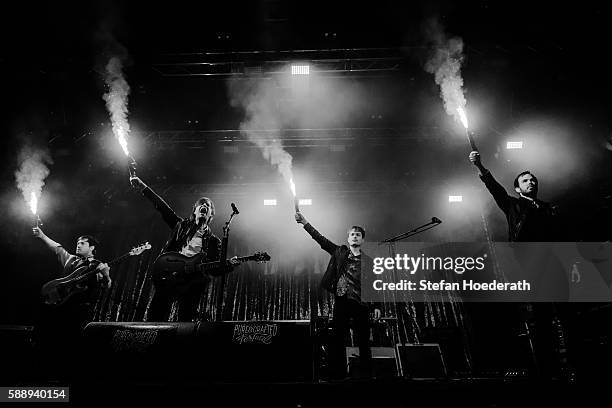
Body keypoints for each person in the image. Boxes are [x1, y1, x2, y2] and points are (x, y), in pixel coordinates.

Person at [469, 150, 568, 378]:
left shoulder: (549, 208)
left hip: (556, 265)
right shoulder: (512, 205)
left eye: (533, 179)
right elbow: (495, 189)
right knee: (541, 321)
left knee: (565, 316)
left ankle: (570, 366)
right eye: (525, 180)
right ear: (517, 188)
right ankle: (546, 371)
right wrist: (481, 168)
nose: (530, 181)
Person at [130, 176, 238, 322]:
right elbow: (163, 208)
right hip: (170, 274)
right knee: (156, 315)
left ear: (211, 214)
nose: (204, 205)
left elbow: (214, 268)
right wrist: (144, 187)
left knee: (186, 319)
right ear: (195, 211)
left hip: (192, 281)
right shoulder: (180, 226)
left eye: (208, 205)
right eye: (201, 204)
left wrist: (229, 265)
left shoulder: (214, 242)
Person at [295, 212, 381, 379]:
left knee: (363, 340)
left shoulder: (369, 260)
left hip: (361, 303)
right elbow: (320, 239)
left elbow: (374, 284)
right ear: (348, 239)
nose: (355, 237)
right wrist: (305, 223)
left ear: (362, 240)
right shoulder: (339, 252)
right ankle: (339, 374)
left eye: (358, 235)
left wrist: (377, 305)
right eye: (352, 235)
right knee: (338, 338)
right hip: (343, 300)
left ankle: (365, 375)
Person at [32, 227, 111, 379]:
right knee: (50, 343)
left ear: (92, 248)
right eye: (77, 243)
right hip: (59, 307)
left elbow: (107, 287)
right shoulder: (71, 259)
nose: (78, 245)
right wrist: (42, 236)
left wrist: (106, 275)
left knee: (71, 347)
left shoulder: (97, 265)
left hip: (79, 313)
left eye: (82, 243)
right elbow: (57, 248)